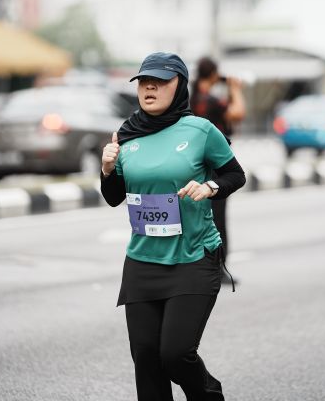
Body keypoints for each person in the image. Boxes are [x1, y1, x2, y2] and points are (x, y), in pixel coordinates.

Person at [101, 52, 245, 401]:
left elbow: (235, 174)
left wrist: (210, 187)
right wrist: (106, 170)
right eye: (144, 81)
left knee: (176, 354)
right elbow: (114, 197)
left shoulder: (200, 130)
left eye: (160, 81)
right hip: (142, 262)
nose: (149, 87)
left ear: (179, 86)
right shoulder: (126, 134)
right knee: (146, 359)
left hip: (193, 258)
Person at [190, 57, 246, 278]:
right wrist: (235, 89)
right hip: (214, 166)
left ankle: (197, 264)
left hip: (192, 163)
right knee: (217, 219)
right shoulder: (211, 101)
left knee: (195, 216)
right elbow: (238, 113)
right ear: (213, 74)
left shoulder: (191, 98)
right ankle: (218, 268)